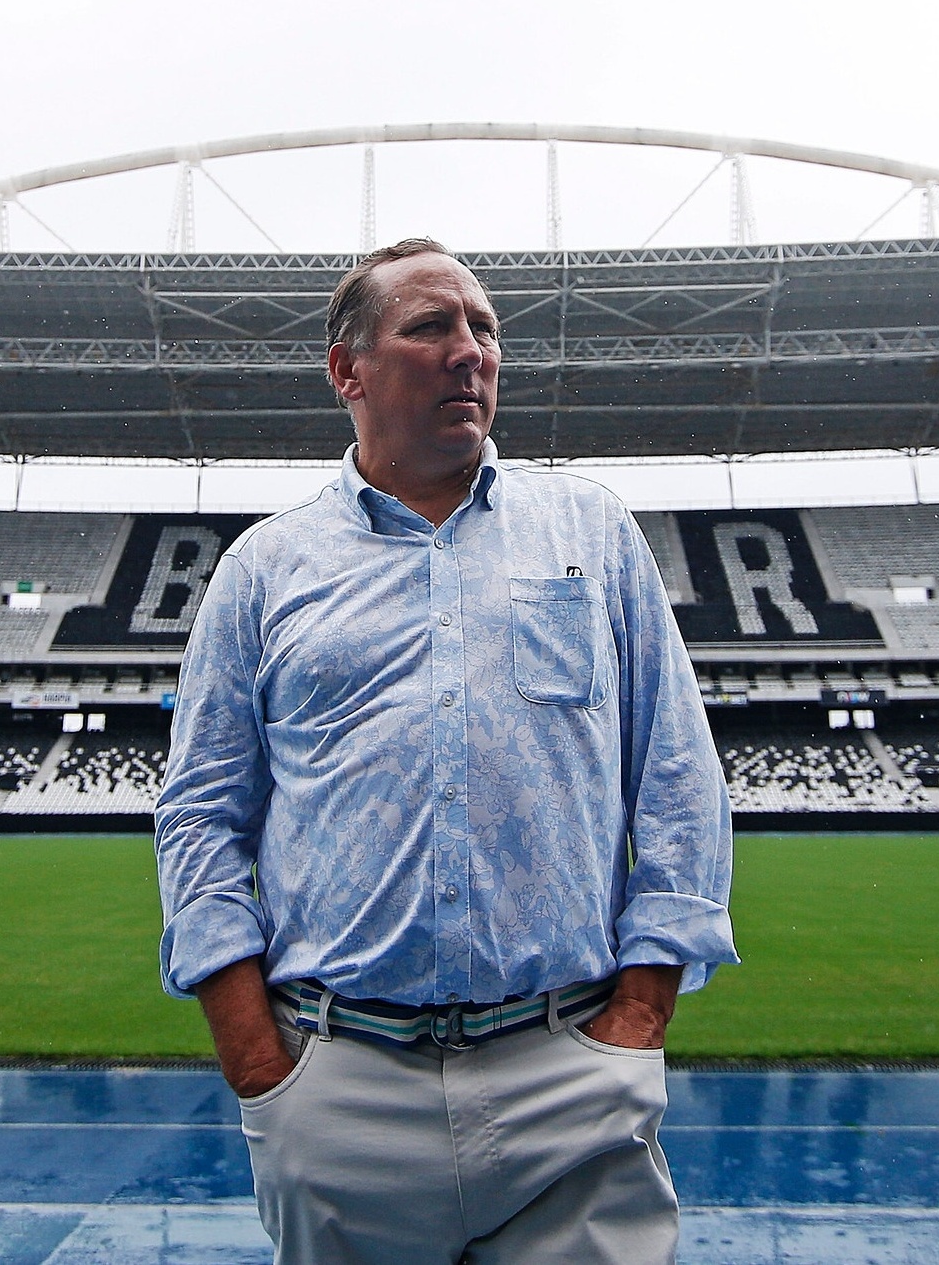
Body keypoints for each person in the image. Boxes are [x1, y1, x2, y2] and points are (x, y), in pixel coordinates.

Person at [155, 238, 737, 1265]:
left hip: (572, 1067)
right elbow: (202, 811)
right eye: (431, 327)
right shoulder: (264, 568)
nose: (471, 351)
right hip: (340, 1086)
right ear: (348, 370)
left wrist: (642, 1013)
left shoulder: (590, 531)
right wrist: (259, 1061)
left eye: (485, 328)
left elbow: (679, 776)